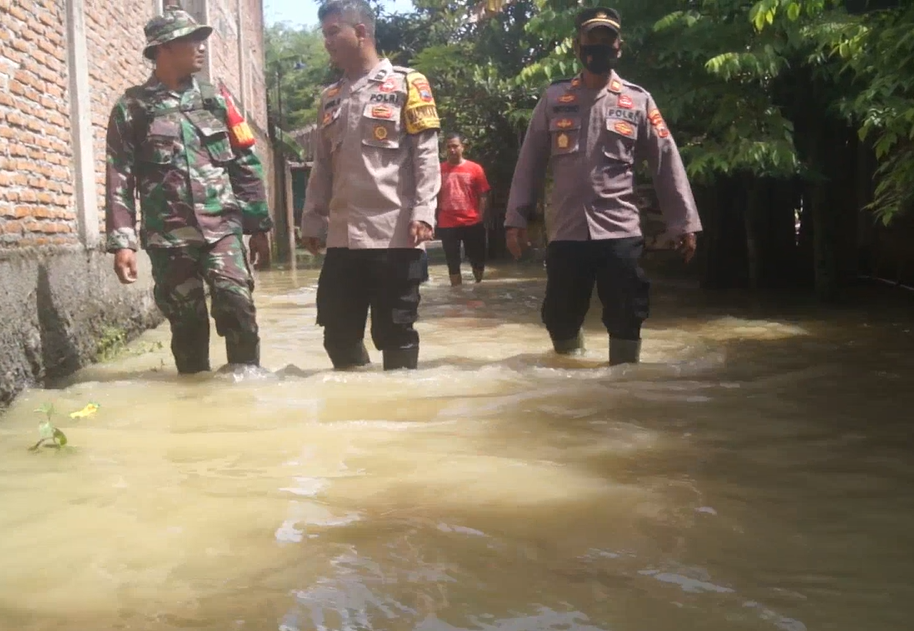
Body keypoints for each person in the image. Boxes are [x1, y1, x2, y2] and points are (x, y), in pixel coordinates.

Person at [504, 7, 702, 366]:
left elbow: (666, 161)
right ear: (578, 46)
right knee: (560, 317)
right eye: (591, 39)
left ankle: (622, 390)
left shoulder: (638, 100)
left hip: (620, 230)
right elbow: (529, 161)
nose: (598, 47)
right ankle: (570, 373)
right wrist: (516, 218)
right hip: (566, 231)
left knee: (628, 315)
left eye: (606, 39)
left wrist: (683, 223)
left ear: (619, 47)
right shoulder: (554, 99)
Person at [105, 7, 273, 374]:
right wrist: (123, 242)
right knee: (188, 325)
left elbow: (244, 163)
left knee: (237, 304)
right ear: (163, 48)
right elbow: (119, 175)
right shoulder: (133, 107)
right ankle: (195, 400)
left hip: (222, 228)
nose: (201, 48)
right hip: (169, 237)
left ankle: (247, 392)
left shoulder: (216, 100)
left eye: (202, 40)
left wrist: (259, 226)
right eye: (191, 40)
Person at [300, 0, 441, 371]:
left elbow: (426, 155)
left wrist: (424, 211)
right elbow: (322, 167)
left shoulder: (409, 84)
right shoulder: (330, 98)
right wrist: (312, 220)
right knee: (337, 334)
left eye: (334, 32)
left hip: (394, 235)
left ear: (360, 32)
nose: (327, 42)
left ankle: (399, 414)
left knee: (396, 332)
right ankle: (356, 408)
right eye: (325, 34)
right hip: (343, 238)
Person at [436, 132, 491, 286]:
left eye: (455, 146)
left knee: (477, 260)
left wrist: (480, 216)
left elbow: (484, 195)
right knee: (452, 262)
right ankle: (456, 295)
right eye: (448, 147)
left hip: (472, 221)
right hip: (447, 222)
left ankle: (479, 287)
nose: (452, 150)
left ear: (462, 147)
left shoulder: (475, 169)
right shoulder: (438, 170)